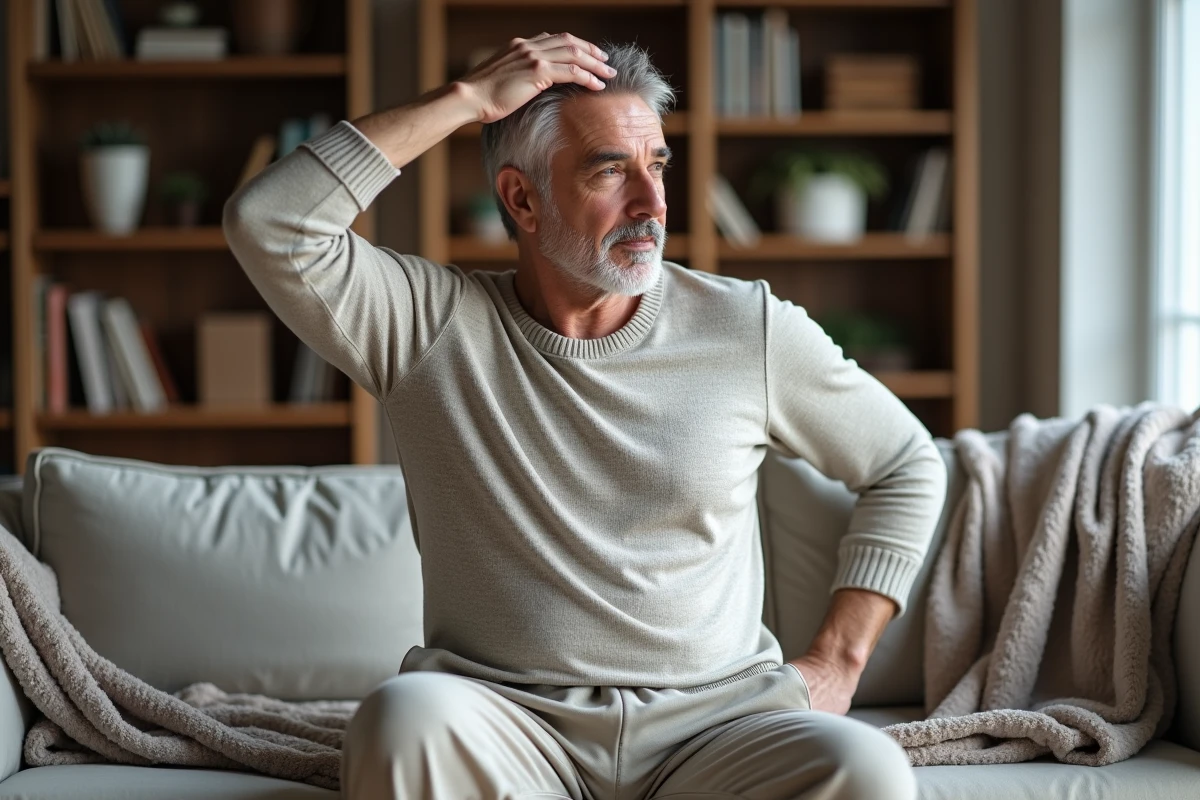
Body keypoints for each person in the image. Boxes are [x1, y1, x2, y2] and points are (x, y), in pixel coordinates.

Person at [224, 33, 946, 800]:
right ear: (522, 199)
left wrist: (837, 660)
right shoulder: (427, 325)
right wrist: (465, 101)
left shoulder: (748, 328)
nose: (653, 202)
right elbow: (270, 223)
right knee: (400, 722)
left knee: (865, 771)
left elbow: (905, 462)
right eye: (611, 171)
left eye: (657, 165)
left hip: (720, 726)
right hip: (507, 720)